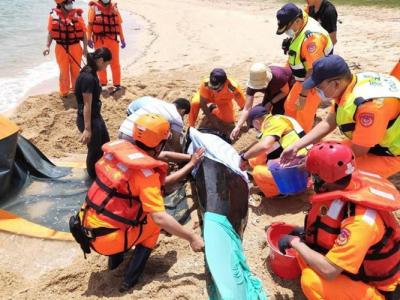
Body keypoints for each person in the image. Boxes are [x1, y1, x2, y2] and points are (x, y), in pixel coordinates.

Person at [74, 114, 204, 292]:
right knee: (154, 224)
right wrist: (192, 237)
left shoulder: (119, 153)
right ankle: (129, 280)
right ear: (159, 143)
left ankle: (115, 265)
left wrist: (191, 159)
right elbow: (159, 216)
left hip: (85, 227)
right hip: (106, 241)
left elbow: (161, 155)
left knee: (127, 211)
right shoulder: (145, 175)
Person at [278, 142, 400, 300]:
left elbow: (329, 271)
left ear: (325, 179)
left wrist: (295, 242)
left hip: (381, 288)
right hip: (360, 265)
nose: (311, 180)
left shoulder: (361, 221)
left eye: (314, 175)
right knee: (306, 253)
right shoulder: (347, 185)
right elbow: (332, 224)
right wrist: (306, 233)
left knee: (311, 281)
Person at [280, 55, 400, 178]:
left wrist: (319, 163)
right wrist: (296, 146)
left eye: (319, 87)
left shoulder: (369, 107)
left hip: (389, 152)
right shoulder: (348, 85)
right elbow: (329, 122)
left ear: (336, 83)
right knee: (320, 154)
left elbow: (360, 150)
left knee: (337, 175)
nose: (316, 91)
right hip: (370, 140)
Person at [276, 3, 333, 133]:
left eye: (287, 29)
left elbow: (314, 70)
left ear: (297, 21)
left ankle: (302, 143)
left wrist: (303, 96)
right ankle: (289, 135)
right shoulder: (301, 17)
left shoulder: (312, 40)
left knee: (303, 116)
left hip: (315, 83)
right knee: (289, 106)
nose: (287, 33)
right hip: (302, 80)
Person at [239, 106, 307, 198]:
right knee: (257, 161)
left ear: (256, 122)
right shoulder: (279, 119)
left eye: (254, 127)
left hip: (299, 171)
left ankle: (279, 192)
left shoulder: (272, 123)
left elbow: (264, 146)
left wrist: (244, 157)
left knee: (257, 172)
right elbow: (263, 154)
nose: (256, 130)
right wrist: (249, 161)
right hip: (303, 162)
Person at [230, 63, 293, 140]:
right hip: (270, 90)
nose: (257, 87)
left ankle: (278, 135)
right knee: (263, 111)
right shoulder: (252, 85)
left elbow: (285, 92)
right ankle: (266, 131)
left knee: (279, 112)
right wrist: (238, 127)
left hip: (287, 88)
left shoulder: (278, 77)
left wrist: (271, 102)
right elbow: (247, 108)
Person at [75, 47, 112, 179]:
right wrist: (87, 129)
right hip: (88, 119)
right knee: (94, 151)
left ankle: (101, 172)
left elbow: (91, 92)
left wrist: (102, 90)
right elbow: (86, 104)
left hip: (96, 117)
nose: (106, 68)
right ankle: (93, 178)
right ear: (101, 60)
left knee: (105, 145)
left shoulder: (91, 70)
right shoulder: (88, 77)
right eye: (107, 65)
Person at [44, 0, 88, 98]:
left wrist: (85, 49)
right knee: (63, 71)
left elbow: (84, 33)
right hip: (61, 47)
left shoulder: (77, 15)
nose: (70, 4)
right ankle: (64, 92)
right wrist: (47, 46)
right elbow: (51, 33)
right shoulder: (54, 15)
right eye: (67, 2)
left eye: (71, 2)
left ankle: (76, 90)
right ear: (61, 4)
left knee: (76, 70)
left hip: (76, 46)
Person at [119, 96, 191, 151]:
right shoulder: (177, 117)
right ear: (183, 111)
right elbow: (175, 142)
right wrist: (180, 156)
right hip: (135, 136)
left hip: (123, 129)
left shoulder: (160, 104)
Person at [87, 0, 125, 93]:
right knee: (100, 62)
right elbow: (90, 24)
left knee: (115, 63)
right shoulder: (94, 8)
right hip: (99, 40)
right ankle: (103, 84)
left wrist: (122, 39)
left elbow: (118, 24)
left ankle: (117, 84)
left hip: (113, 40)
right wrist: (88, 38)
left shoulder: (114, 8)